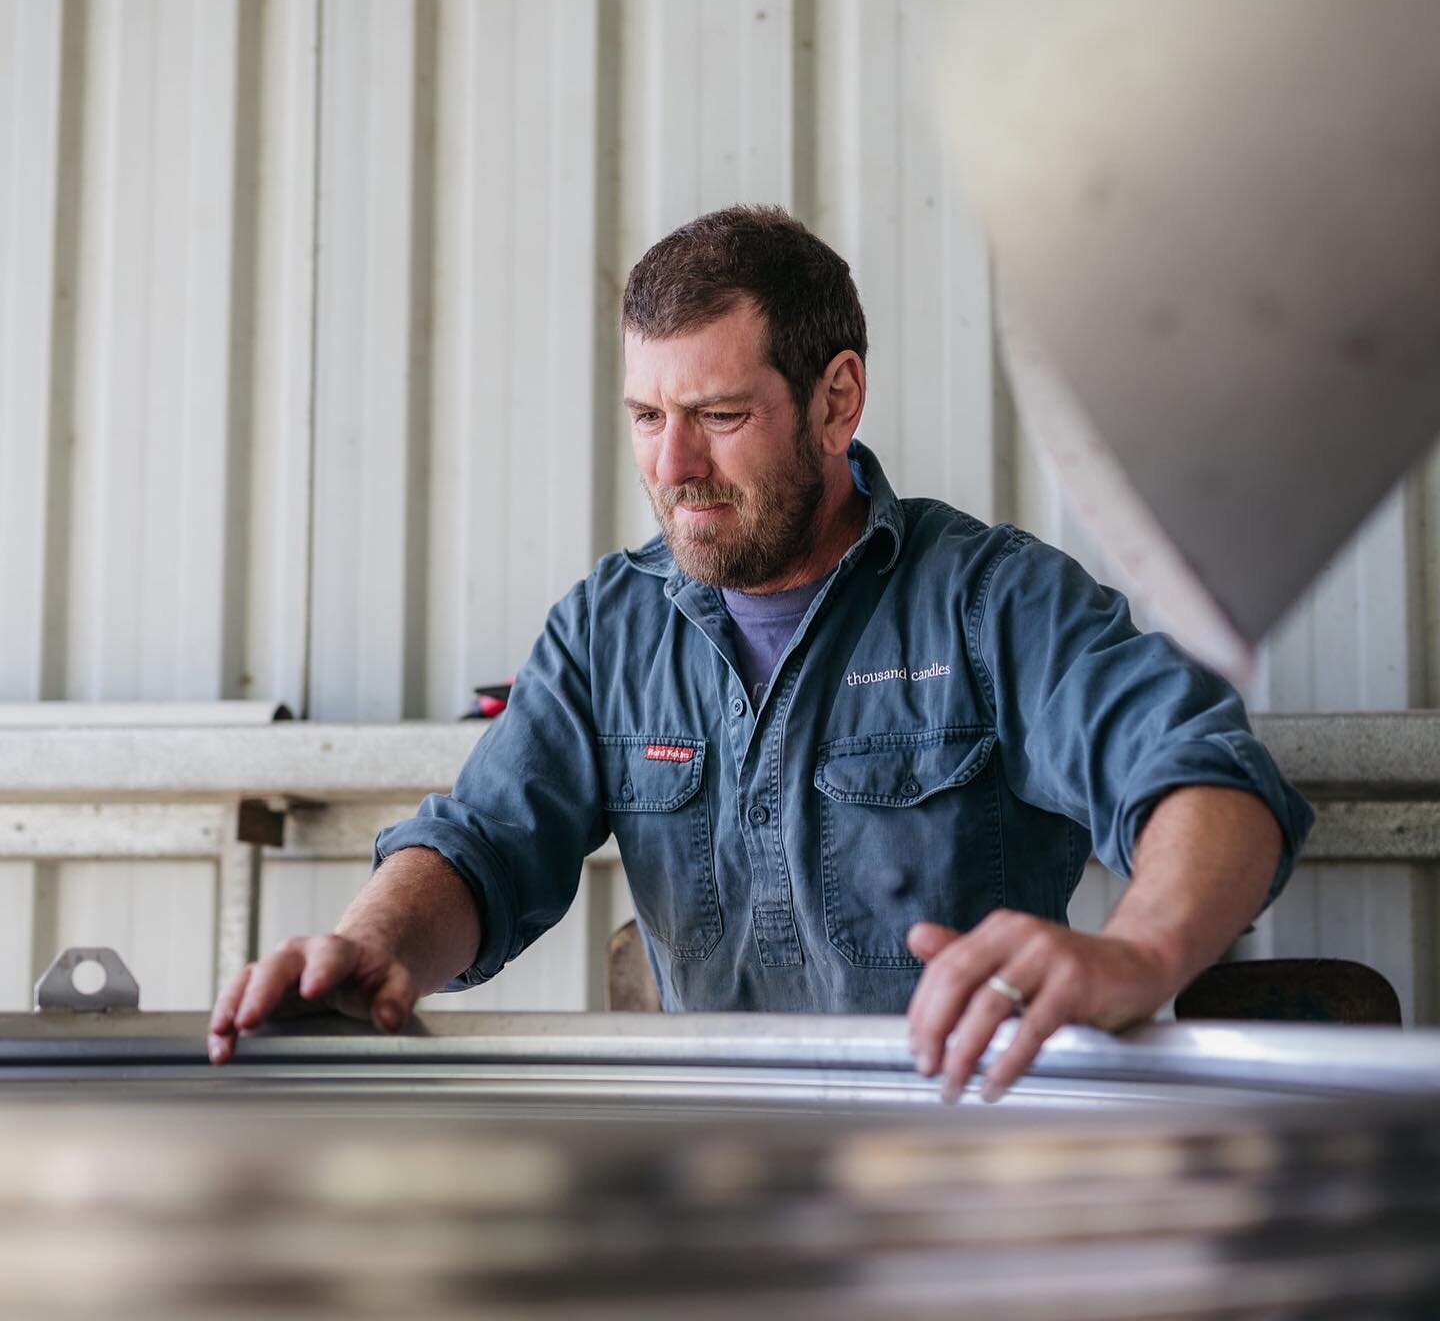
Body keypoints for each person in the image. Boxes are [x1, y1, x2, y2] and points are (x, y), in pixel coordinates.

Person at [209, 206, 1311, 1101]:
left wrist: (1141, 951)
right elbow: (486, 844)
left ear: (836, 401)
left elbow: (1209, 776)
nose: (673, 463)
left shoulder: (992, 601)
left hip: (971, 1170)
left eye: (719, 413)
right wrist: (377, 946)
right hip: (720, 1182)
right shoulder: (610, 629)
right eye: (646, 415)